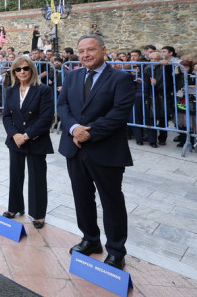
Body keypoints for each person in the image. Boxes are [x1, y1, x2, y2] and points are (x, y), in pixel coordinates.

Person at [57, 34, 135, 270]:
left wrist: (89, 133)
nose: (85, 55)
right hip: (75, 149)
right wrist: (73, 128)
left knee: (111, 201)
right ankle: (90, 239)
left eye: (90, 50)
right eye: (81, 51)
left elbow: (119, 113)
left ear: (103, 50)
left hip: (105, 150)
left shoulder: (121, 78)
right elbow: (62, 106)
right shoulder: (72, 76)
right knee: (82, 197)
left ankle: (116, 251)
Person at [1, 56, 54, 229]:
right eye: (18, 69)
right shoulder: (10, 90)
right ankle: (14, 207)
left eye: (25, 68)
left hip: (36, 139)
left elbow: (46, 117)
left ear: (32, 70)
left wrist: (26, 135)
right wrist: (15, 134)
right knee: (15, 175)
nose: (22, 72)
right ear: (14, 72)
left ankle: (38, 213)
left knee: (37, 178)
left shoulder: (43, 90)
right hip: (15, 141)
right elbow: (7, 116)